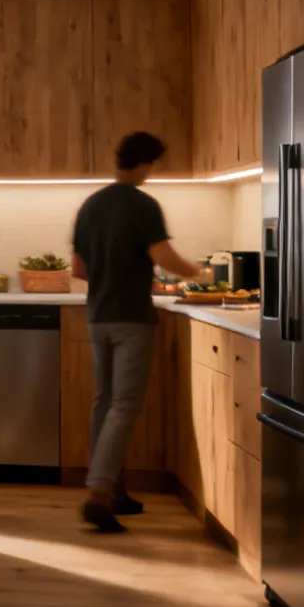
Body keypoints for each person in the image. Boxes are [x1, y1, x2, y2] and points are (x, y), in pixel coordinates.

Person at [69, 131, 210, 534]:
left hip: (97, 316)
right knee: (125, 405)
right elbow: (162, 256)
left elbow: (78, 269)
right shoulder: (144, 205)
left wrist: (109, 276)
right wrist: (200, 272)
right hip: (131, 318)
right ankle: (98, 493)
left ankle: (115, 490)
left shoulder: (91, 205)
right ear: (146, 164)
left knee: (105, 403)